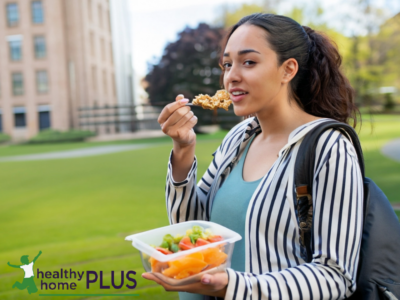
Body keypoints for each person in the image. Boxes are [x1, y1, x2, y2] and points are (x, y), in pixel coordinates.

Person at [142, 13, 363, 300]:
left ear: (288, 70)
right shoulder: (239, 137)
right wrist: (183, 150)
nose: (231, 76)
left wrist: (230, 286)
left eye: (249, 62)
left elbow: (336, 276)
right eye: (227, 64)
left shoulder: (329, 147)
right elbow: (195, 230)